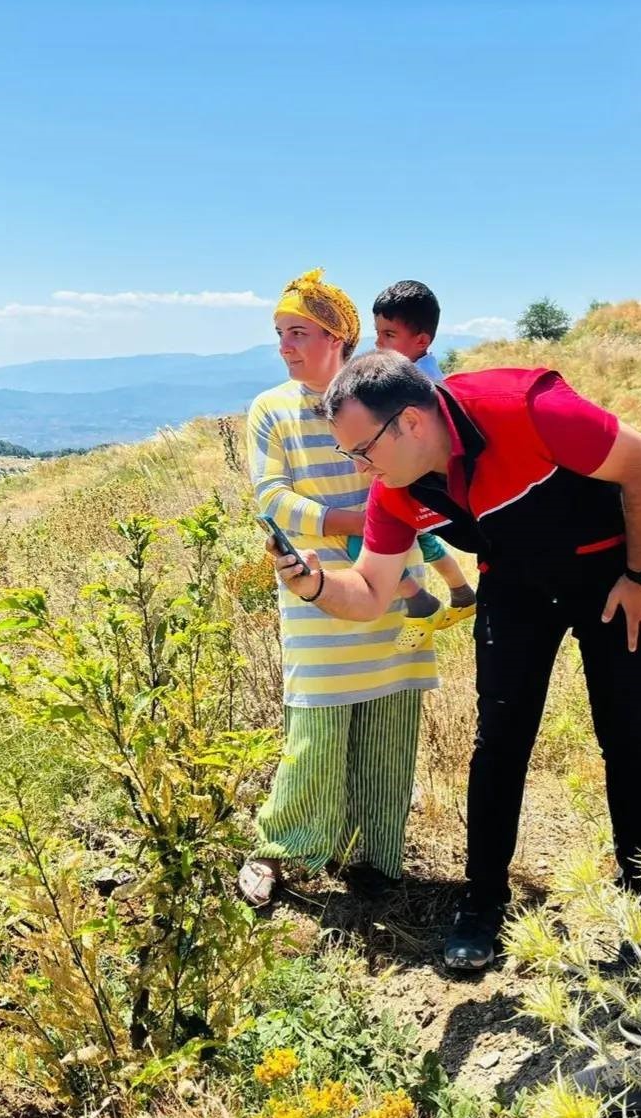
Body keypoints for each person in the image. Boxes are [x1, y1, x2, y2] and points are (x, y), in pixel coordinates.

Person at [270, 350, 641, 972]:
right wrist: (314, 586)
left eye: (363, 450)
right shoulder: (396, 492)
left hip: (613, 576)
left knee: (629, 740)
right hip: (514, 584)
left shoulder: (528, 410)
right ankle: (482, 903)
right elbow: (372, 593)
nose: (361, 468)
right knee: (499, 746)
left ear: (410, 422)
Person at [237, 270, 438, 907]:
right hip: (317, 589)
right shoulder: (272, 409)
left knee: (390, 723)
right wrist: (351, 521)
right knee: (315, 731)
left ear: (337, 336)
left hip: (396, 578)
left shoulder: (379, 390)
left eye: (298, 332)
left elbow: (419, 466)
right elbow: (269, 496)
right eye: (279, 334)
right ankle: (283, 849)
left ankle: (379, 857)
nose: (285, 346)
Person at [348, 280, 476, 650]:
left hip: (412, 484)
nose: (379, 344)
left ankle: (419, 601)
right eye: (378, 334)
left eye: (389, 334)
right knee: (428, 543)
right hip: (420, 487)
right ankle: (462, 593)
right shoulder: (422, 377)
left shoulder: (420, 386)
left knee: (361, 543)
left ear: (421, 341)